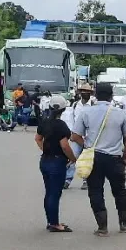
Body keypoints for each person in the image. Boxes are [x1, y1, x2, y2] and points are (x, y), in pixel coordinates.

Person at [71, 84, 126, 237]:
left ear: (95, 94)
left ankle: (102, 227)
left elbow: (75, 136)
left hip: (94, 157)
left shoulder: (86, 112)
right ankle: (124, 224)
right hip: (114, 158)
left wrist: (87, 146)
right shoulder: (120, 113)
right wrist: (125, 156)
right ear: (111, 95)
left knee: (95, 191)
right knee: (120, 191)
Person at [36, 95, 77, 233]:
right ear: (63, 109)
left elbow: (38, 138)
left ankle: (51, 220)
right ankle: (54, 223)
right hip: (57, 161)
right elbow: (64, 145)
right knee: (55, 193)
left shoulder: (44, 122)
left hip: (45, 160)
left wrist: (46, 149)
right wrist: (73, 158)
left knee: (49, 192)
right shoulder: (61, 125)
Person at [62, 83, 94, 190]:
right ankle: (67, 179)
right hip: (76, 137)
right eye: (84, 91)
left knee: (87, 160)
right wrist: (71, 134)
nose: (86, 93)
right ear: (80, 93)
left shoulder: (94, 105)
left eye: (88, 92)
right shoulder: (75, 105)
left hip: (89, 138)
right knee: (72, 157)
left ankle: (86, 181)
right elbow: (71, 120)